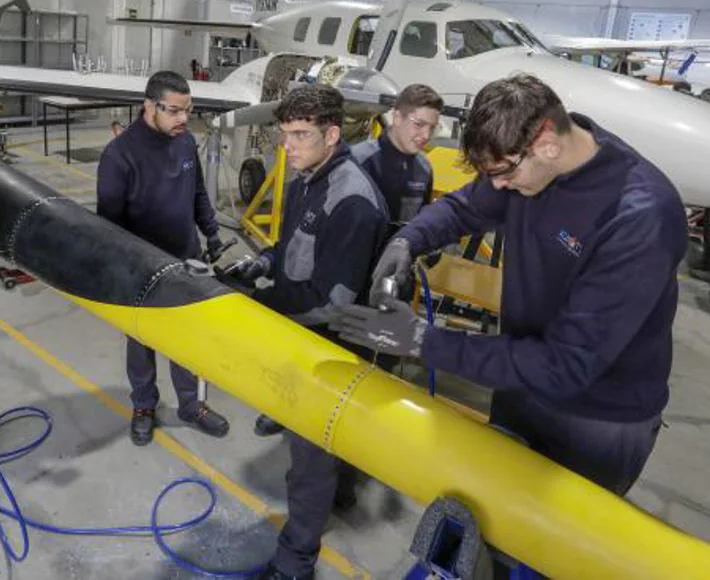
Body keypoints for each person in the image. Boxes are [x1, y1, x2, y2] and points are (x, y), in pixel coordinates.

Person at [332, 73, 686, 497]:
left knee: (555, 551)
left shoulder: (640, 215)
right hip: (519, 383)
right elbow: (465, 207)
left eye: (502, 172)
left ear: (548, 145)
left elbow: (566, 365)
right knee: (489, 519)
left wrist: (424, 341)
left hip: (596, 419)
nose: (498, 186)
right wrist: (408, 240)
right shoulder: (527, 162)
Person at [226, 86, 387, 580]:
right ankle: (340, 491)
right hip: (302, 333)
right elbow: (287, 245)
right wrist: (259, 263)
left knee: (308, 463)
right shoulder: (303, 180)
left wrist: (254, 302)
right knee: (324, 452)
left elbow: (330, 301)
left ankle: (294, 564)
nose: (288, 146)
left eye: (299, 135)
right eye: (284, 134)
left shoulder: (354, 202)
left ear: (332, 135)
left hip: (333, 346)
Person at [97, 70, 230, 446]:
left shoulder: (185, 142)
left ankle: (191, 405)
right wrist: (120, 274)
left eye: (187, 110)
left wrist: (212, 233)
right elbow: (108, 227)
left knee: (187, 339)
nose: (183, 119)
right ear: (149, 106)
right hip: (141, 270)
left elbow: (198, 192)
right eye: (174, 111)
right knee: (141, 342)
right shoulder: (119, 156)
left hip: (186, 260)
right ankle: (143, 405)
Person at [350, 83, 441, 240]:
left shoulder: (424, 169)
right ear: (397, 117)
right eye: (419, 124)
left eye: (432, 128)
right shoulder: (358, 162)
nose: (426, 135)